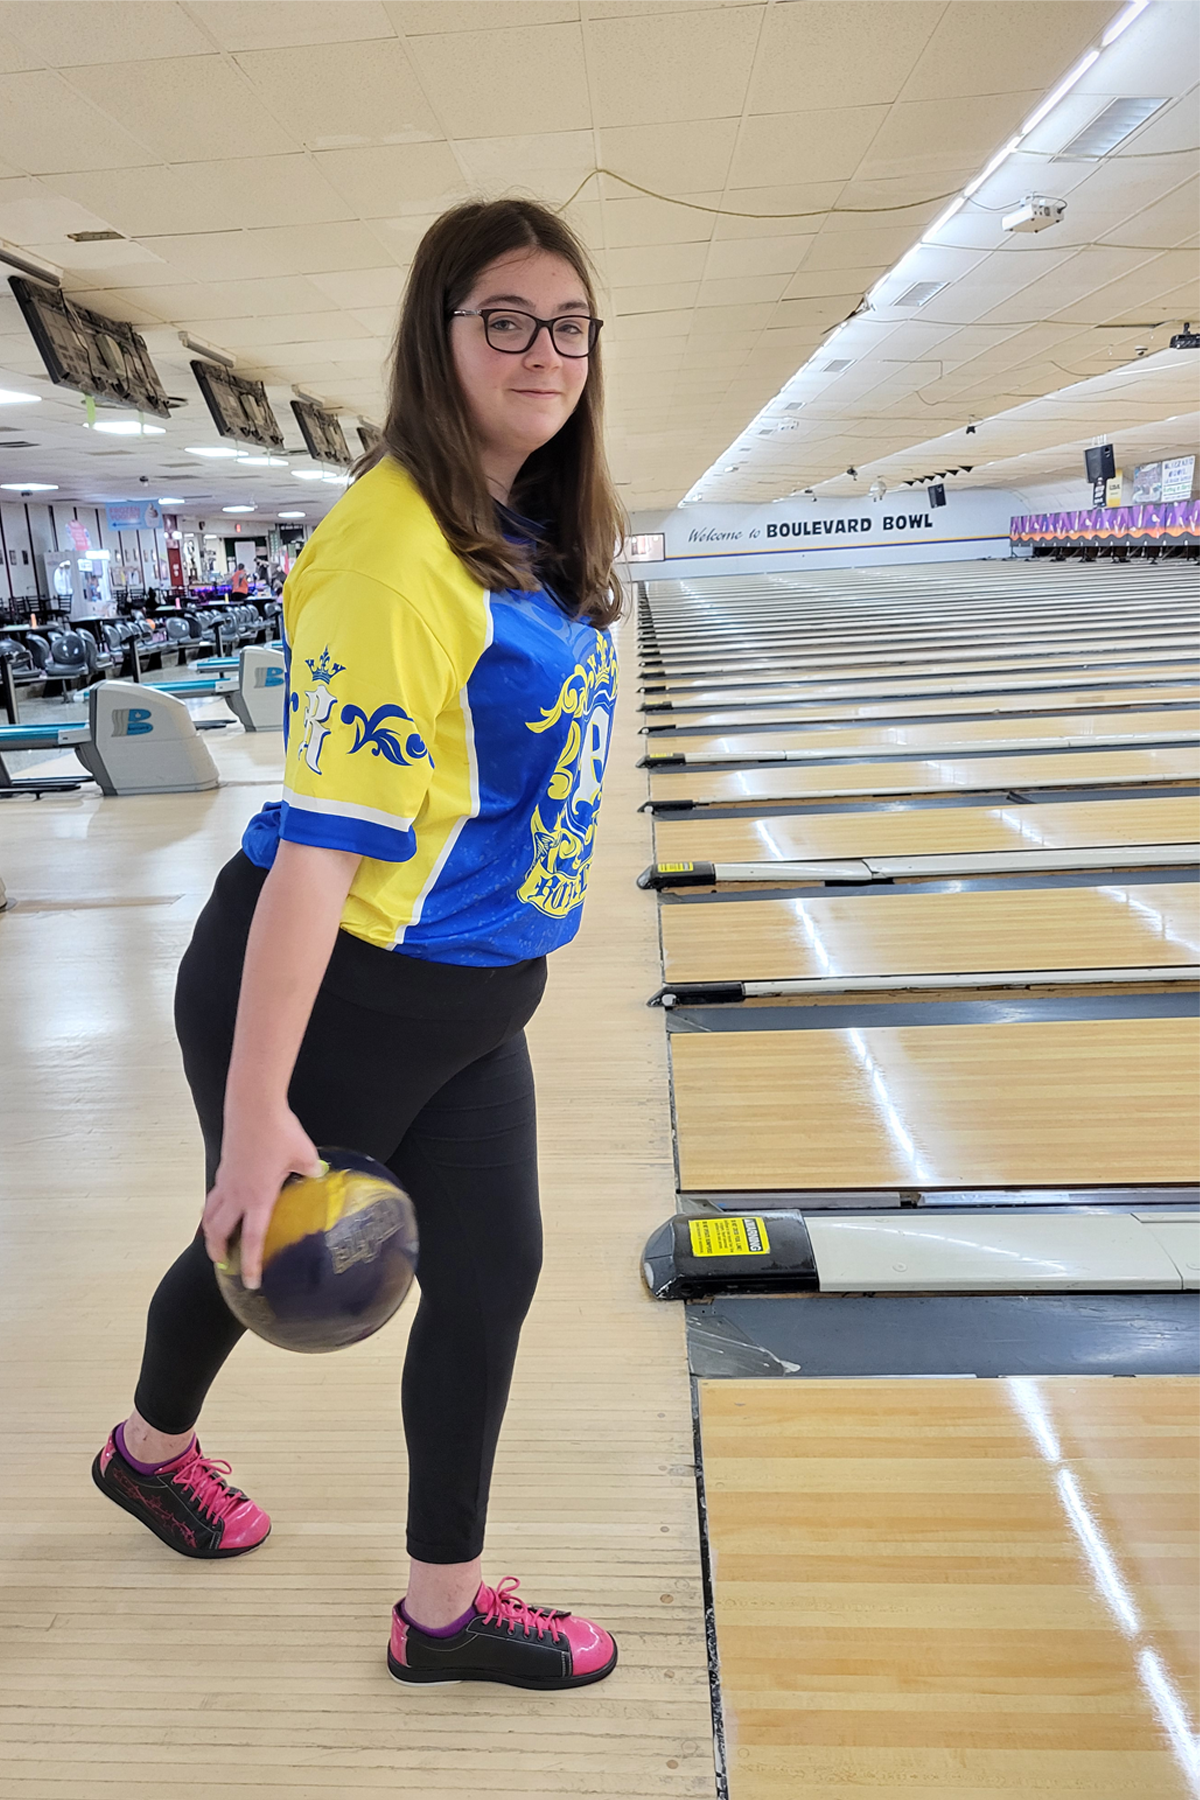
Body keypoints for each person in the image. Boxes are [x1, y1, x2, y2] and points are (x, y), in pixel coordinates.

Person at [92, 197, 624, 1692]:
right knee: (264, 1245)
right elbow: (318, 856)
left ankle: (441, 1610)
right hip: (352, 992)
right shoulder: (397, 552)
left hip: (469, 995)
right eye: (503, 319)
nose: (544, 350)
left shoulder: (524, 519)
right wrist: (259, 1113)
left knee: (492, 1271)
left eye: (568, 322)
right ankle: (149, 1451)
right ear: (436, 336)